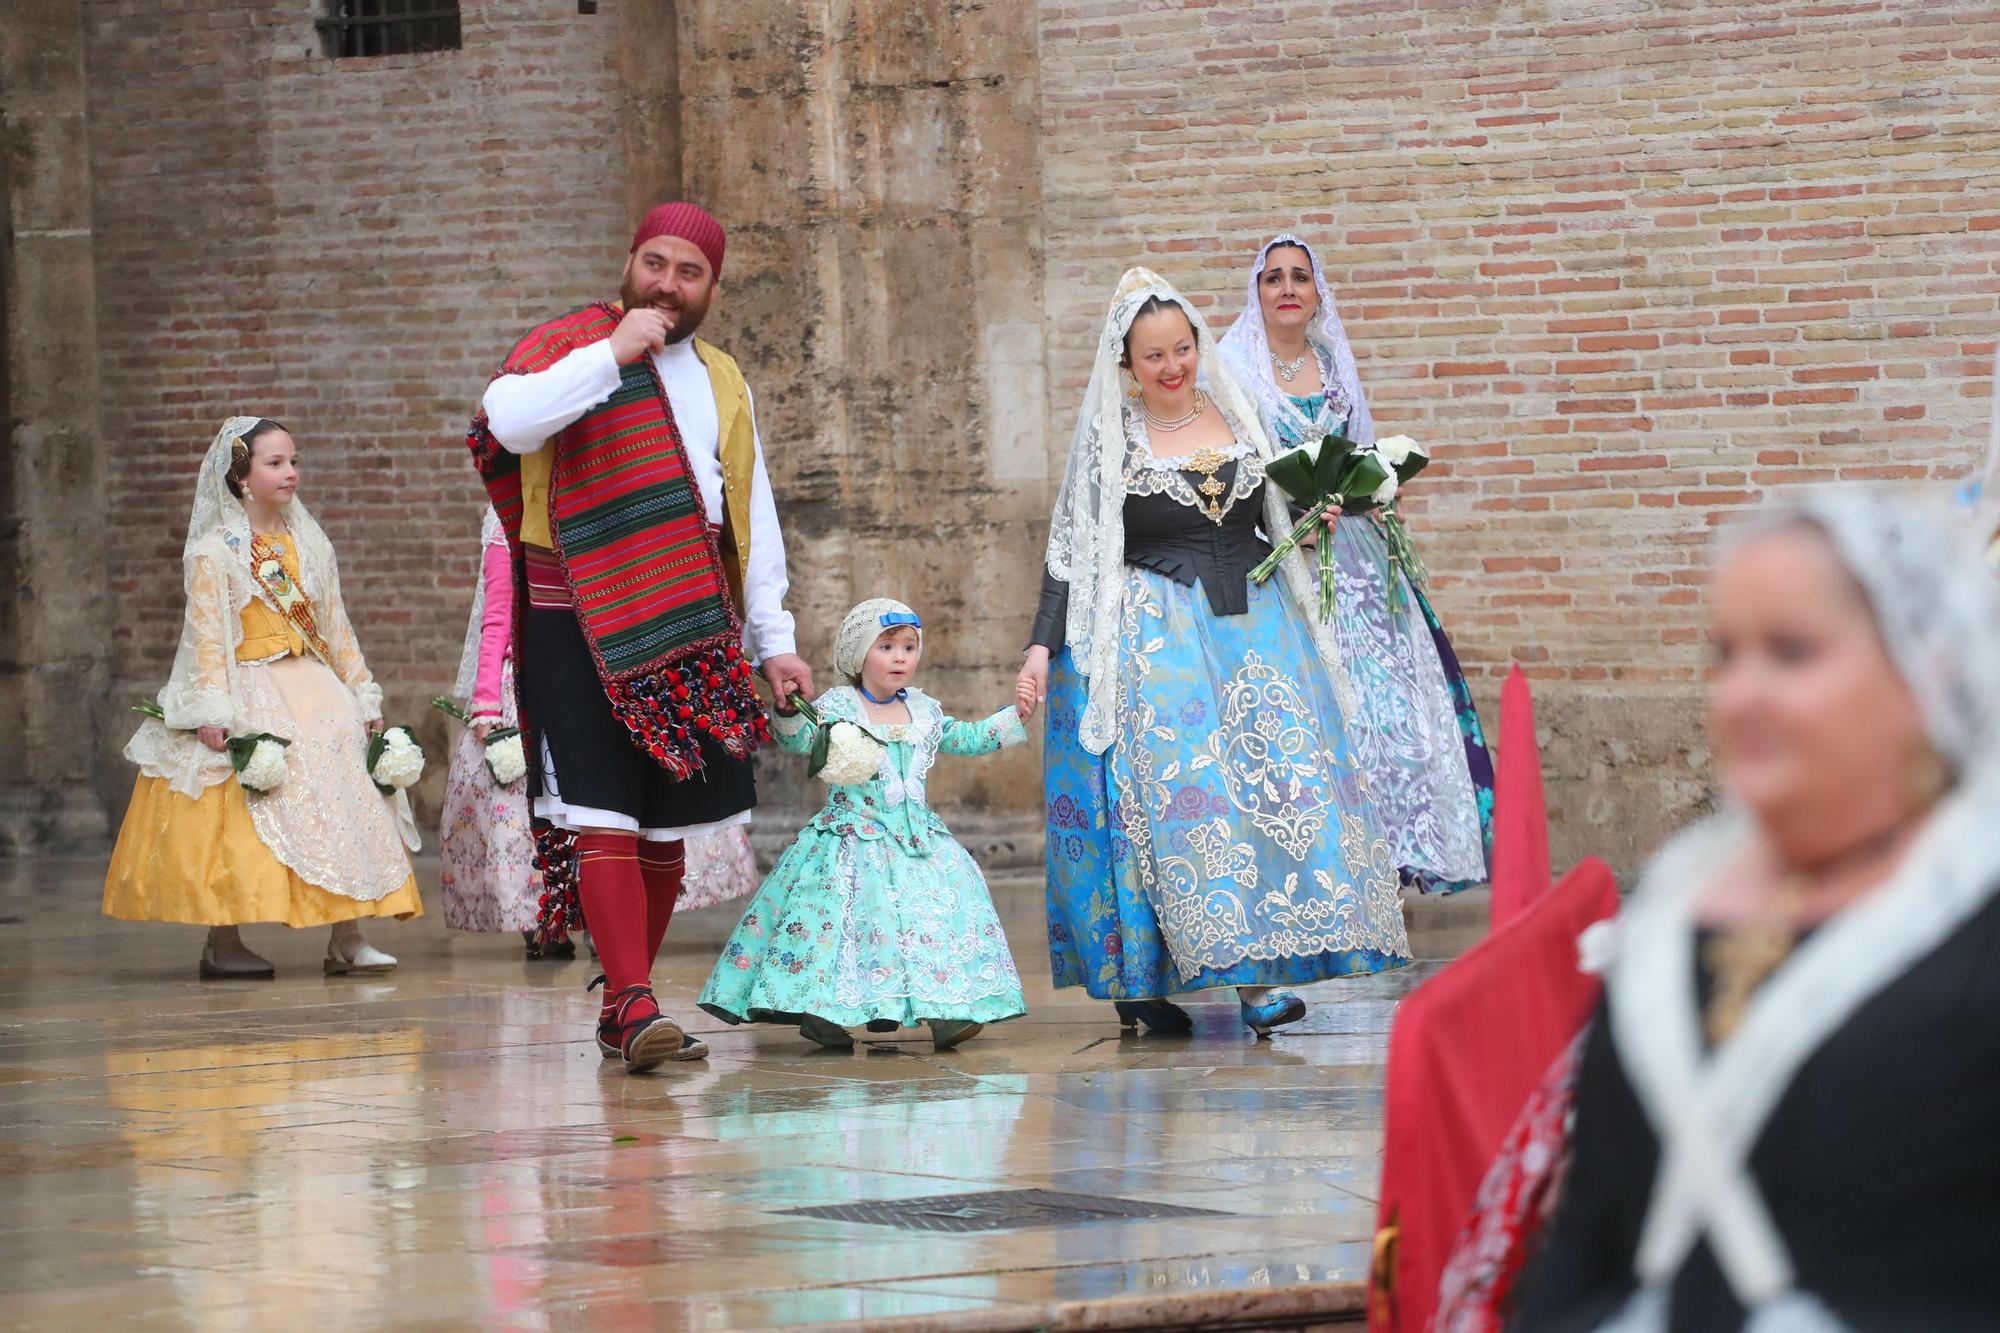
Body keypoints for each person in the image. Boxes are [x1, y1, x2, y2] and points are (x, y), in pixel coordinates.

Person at [1511, 490, 2000, 1331]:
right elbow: (1592, 1238)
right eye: (1726, 653)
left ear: (1923, 675)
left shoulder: (1976, 926)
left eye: (1792, 652)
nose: (1741, 694)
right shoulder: (1675, 908)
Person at [1017, 267, 1409, 1040]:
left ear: (1199, 345)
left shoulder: (1242, 415)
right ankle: (1178, 981)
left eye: (1182, 349)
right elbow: (1070, 553)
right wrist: (1040, 648)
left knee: (1276, 792)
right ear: (1127, 365)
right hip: (1157, 639)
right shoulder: (1113, 440)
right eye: (1153, 355)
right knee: (1188, 809)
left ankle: (1262, 973)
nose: (1172, 367)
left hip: (1257, 631)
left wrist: (1335, 501)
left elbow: (1281, 505)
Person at [466, 201, 811, 1074]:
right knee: (600, 812)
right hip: (575, 612)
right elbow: (506, 421)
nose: (667, 282)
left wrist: (774, 637)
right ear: (629, 264)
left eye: (688, 272)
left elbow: (751, 511)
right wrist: (611, 356)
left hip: (691, 620)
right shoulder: (568, 346)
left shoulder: (724, 378)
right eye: (655, 263)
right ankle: (631, 999)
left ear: (710, 289)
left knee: (667, 826)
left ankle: (631, 1001)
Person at [1217, 234, 1491, 893]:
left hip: (1359, 551)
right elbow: (1232, 470)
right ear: (1256, 293)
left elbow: (1360, 446)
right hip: (1289, 553)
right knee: (1321, 705)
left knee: (1389, 703)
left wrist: (1379, 492)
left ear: (1317, 295)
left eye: (1300, 277)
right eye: (1273, 277)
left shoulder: (1334, 358)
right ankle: (1329, 858)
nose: (1287, 287)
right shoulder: (1232, 369)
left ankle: (1401, 849)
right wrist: (1289, 522)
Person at [105, 416, 421, 976]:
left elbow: (336, 625)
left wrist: (362, 694)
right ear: (241, 477)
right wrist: (212, 708)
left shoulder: (308, 540)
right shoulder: (214, 551)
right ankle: (223, 941)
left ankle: (346, 936)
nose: (291, 473)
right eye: (275, 463)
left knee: (343, 801)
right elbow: (207, 634)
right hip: (250, 683)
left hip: (314, 683)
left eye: (294, 461)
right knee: (233, 812)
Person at [700, 599, 1029, 1051]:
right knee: (842, 928)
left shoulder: (924, 710)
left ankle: (946, 1010)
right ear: (858, 655)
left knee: (936, 919)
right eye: (887, 646)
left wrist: (1013, 718)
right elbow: (798, 742)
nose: (900, 657)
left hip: (918, 840)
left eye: (909, 647)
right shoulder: (837, 706)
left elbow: (966, 737)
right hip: (853, 840)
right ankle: (822, 1013)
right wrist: (789, 710)